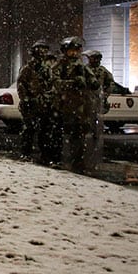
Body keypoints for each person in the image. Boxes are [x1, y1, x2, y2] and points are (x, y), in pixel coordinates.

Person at [52, 36, 100, 172]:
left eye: (76, 51)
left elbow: (92, 80)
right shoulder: (59, 66)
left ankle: (78, 163)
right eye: (71, 51)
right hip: (63, 106)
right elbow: (55, 83)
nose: (74, 54)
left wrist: (93, 83)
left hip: (80, 108)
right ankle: (56, 160)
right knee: (57, 136)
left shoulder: (81, 67)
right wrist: (72, 83)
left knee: (78, 136)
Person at [17, 40, 58, 164]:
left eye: (44, 50)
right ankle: (26, 153)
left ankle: (45, 155)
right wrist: (26, 99)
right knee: (29, 131)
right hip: (30, 105)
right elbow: (21, 85)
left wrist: (49, 97)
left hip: (44, 105)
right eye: (40, 50)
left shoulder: (48, 69)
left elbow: (52, 85)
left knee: (45, 132)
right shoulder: (28, 69)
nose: (42, 53)